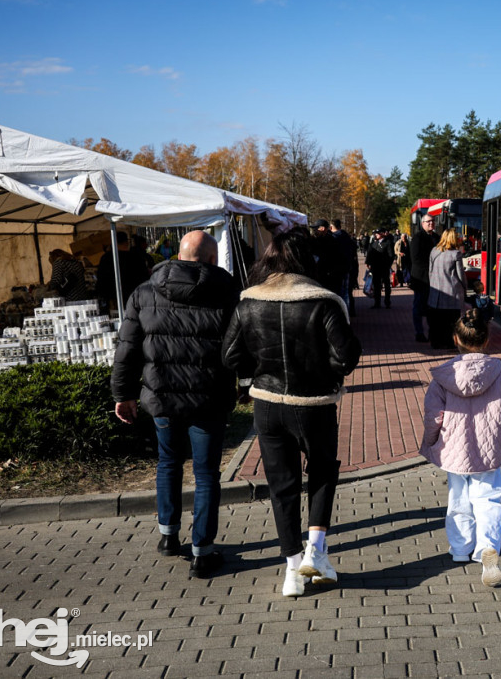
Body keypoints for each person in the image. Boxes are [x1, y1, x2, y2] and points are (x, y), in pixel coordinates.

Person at [222, 230, 361, 597]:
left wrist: (261, 369)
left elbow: (230, 357)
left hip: (268, 405)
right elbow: (346, 357)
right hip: (314, 404)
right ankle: (317, 549)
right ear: (307, 259)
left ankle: (291, 569)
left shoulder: (248, 301)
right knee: (321, 472)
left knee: (282, 486)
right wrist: (324, 371)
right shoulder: (322, 301)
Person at [112, 230, 238, 579]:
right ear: (212, 260)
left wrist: (123, 394)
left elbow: (127, 349)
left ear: (179, 256)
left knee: (168, 462)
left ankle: (168, 535)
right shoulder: (226, 292)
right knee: (206, 473)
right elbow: (237, 348)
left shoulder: (144, 292)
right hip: (208, 399)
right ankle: (203, 551)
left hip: (162, 396)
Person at [419, 309, 501, 587]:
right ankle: (487, 547)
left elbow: (433, 417)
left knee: (458, 499)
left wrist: (431, 442)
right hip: (489, 451)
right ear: (487, 341)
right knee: (488, 499)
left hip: (455, 449)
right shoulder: (500, 374)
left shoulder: (443, 376)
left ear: (456, 339)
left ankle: (461, 549)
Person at [428, 229, 467, 349]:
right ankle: (450, 343)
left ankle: (436, 342)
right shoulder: (456, 254)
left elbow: (430, 271)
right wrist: (465, 287)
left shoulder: (434, 251)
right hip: (452, 293)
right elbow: (460, 275)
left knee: (437, 321)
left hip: (436, 294)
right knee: (452, 321)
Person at [96, 231, 150, 313]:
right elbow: (145, 277)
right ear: (127, 242)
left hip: (113, 299)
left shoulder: (106, 258)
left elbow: (101, 279)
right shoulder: (135, 257)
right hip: (134, 298)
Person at [409, 215, 439, 342]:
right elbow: (415, 259)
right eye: (428, 222)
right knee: (419, 306)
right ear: (422, 224)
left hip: (435, 279)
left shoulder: (437, 238)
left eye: (432, 221)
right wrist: (431, 269)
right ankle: (419, 332)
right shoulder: (418, 238)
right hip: (421, 278)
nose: (431, 223)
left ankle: (433, 332)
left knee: (432, 307)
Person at [329, 219, 357, 315]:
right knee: (346, 293)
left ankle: (343, 315)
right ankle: (347, 313)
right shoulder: (347, 237)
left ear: (331, 227)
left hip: (338, 269)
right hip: (347, 267)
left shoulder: (334, 238)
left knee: (340, 293)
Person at [366, 228, 395, 308]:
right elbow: (370, 253)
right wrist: (368, 262)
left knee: (386, 285)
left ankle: (387, 302)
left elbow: (391, 255)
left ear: (382, 233)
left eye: (378, 233)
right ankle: (377, 303)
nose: (376, 235)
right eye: (375, 233)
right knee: (376, 285)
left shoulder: (388, 243)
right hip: (375, 268)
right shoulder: (374, 243)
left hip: (384, 268)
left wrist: (388, 265)